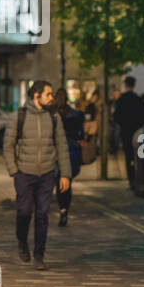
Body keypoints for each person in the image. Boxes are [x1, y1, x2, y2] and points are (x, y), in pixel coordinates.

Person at [4, 80, 72, 269]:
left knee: (42, 214)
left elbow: (62, 146)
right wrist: (14, 171)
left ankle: (39, 255)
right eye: (48, 94)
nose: (51, 98)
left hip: (47, 173)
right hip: (24, 173)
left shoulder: (54, 117)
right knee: (24, 211)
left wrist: (65, 174)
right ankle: (22, 241)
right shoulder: (20, 116)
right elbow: (8, 145)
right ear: (36, 95)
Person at [53, 88, 85, 227]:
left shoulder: (51, 115)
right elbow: (81, 134)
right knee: (67, 182)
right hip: (71, 150)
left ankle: (62, 208)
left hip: (56, 152)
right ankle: (65, 209)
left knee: (58, 182)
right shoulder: (76, 115)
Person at [112, 76, 144, 186]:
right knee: (141, 156)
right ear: (134, 85)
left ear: (125, 85)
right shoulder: (138, 99)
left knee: (128, 156)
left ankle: (131, 180)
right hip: (138, 131)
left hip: (126, 131)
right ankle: (141, 178)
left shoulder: (121, 100)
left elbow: (116, 117)